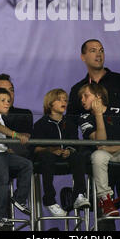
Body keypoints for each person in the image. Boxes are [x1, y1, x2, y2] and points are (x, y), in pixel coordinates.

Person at [78, 83, 120, 218]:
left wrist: (113, 148)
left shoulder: (119, 112)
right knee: (98, 156)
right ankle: (105, 200)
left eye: (86, 95)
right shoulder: (84, 118)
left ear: (98, 96)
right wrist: (99, 115)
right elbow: (100, 142)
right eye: (80, 97)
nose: (82, 100)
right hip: (102, 153)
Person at [67, 39, 120, 141]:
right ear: (83, 57)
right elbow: (71, 122)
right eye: (93, 51)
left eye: (101, 51)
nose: (98, 54)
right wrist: (72, 150)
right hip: (92, 151)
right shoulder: (77, 89)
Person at [0, 87, 33, 228]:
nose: (7, 103)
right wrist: (16, 135)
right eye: (2, 100)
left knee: (26, 164)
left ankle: (19, 198)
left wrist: (6, 147)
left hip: (1, 152)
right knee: (2, 181)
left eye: (8, 100)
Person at [32, 88, 90, 217]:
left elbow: (75, 143)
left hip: (66, 157)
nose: (64, 102)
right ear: (50, 103)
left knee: (78, 156)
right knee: (47, 157)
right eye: (59, 99)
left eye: (65, 99)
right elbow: (35, 148)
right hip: (48, 158)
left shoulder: (69, 123)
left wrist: (69, 150)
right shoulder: (40, 124)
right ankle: (50, 200)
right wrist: (52, 150)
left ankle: (79, 195)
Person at [0, 73, 33, 158]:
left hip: (18, 157)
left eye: (11, 90)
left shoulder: (24, 114)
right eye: (3, 91)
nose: (9, 94)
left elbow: (24, 138)